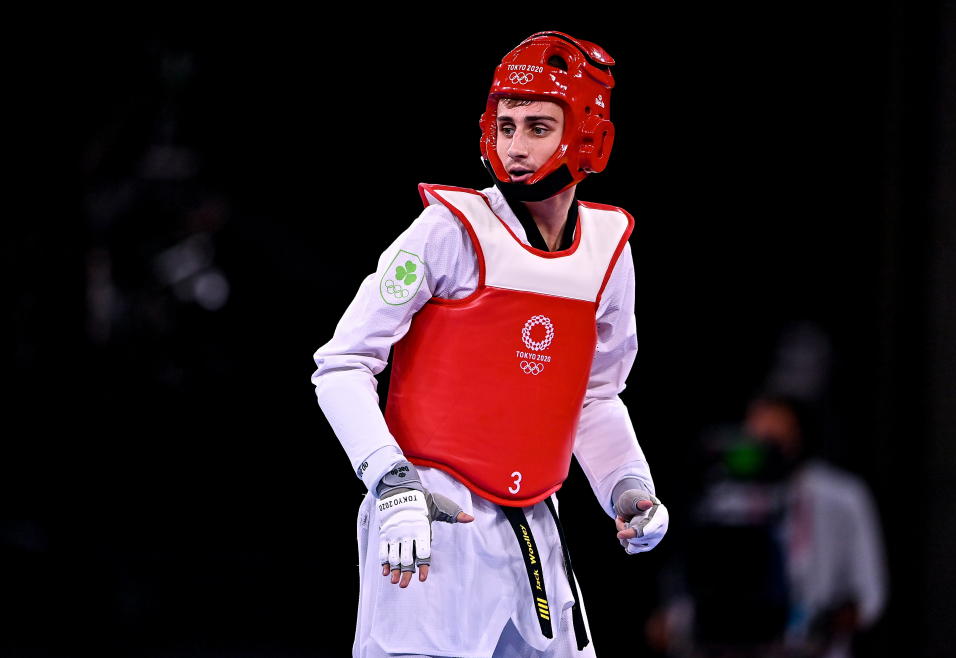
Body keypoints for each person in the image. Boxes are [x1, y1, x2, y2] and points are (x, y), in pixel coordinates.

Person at [312, 31, 668, 657]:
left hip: (535, 520)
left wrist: (628, 487)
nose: (516, 147)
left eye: (537, 127)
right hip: (429, 510)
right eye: (506, 126)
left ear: (587, 134)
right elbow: (341, 364)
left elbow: (595, 396)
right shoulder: (450, 228)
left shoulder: (609, 250)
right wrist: (389, 481)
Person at [649, 395, 886, 658]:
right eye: (757, 434)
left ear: (799, 436)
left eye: (776, 437)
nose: (765, 443)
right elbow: (692, 589)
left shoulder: (841, 498)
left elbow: (866, 597)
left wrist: (813, 622)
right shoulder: (723, 500)